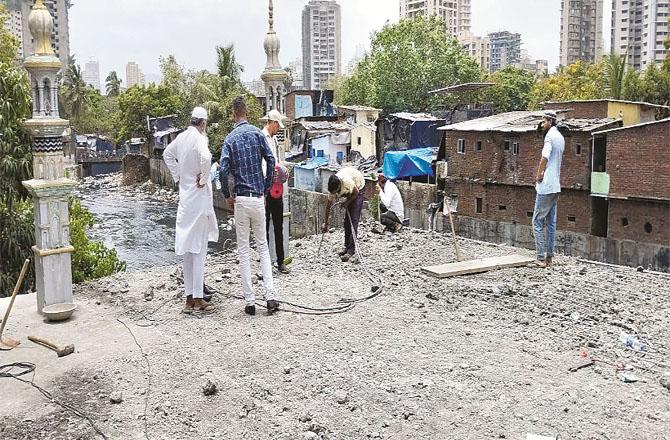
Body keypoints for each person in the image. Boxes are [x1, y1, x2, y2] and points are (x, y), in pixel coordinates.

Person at [219, 96, 279, 315]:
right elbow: (271, 160)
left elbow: (222, 170)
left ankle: (250, 301)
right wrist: (265, 187)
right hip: (258, 197)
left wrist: (227, 193)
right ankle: (271, 297)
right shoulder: (257, 133)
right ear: (246, 112)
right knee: (263, 247)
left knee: (243, 249)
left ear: (234, 114)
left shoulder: (230, 139)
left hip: (241, 200)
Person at [163, 106, 218, 313]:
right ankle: (197, 299)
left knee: (187, 250)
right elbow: (206, 158)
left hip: (185, 201)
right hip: (199, 201)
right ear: (203, 123)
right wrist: (203, 179)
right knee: (199, 251)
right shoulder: (199, 139)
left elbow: (168, 155)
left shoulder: (181, 138)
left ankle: (188, 299)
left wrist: (179, 177)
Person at [533, 110, 565, 267]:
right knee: (551, 223)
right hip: (556, 186)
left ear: (551, 122)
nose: (542, 124)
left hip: (546, 186)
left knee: (537, 222)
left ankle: (540, 258)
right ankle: (549, 258)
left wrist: (539, 175)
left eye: (544, 121)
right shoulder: (560, 137)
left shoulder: (549, 138)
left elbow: (544, 158)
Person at [262, 110, 290, 274]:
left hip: (277, 188)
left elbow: (276, 162)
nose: (278, 129)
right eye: (277, 125)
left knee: (278, 225)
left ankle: (280, 261)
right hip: (266, 188)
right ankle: (265, 264)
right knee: (264, 228)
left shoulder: (274, 141)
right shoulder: (261, 138)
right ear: (272, 123)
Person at [322, 167, 365, 262]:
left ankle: (351, 250)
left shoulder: (346, 182)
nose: (335, 194)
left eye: (336, 192)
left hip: (358, 188)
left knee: (353, 219)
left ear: (339, 186)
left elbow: (355, 193)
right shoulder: (332, 187)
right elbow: (328, 206)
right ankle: (346, 246)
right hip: (350, 190)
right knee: (346, 222)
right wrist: (326, 222)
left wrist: (347, 202)